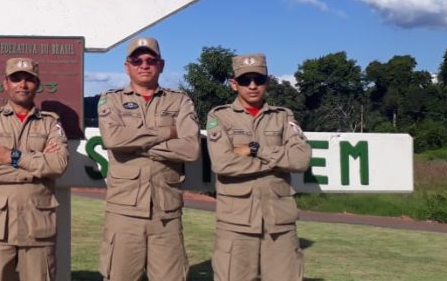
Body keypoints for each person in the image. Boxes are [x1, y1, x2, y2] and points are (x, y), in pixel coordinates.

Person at [96, 37, 201, 281]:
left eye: (150, 60)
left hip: (166, 212)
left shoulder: (180, 101)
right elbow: (113, 140)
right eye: (137, 60)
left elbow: (190, 148)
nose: (144, 65)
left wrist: (137, 145)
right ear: (127, 66)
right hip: (124, 212)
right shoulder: (111, 99)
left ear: (161, 65)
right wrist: (166, 133)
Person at [206, 53, 312, 281]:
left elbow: (301, 160)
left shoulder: (283, 116)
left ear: (267, 82)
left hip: (279, 222)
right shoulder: (220, 116)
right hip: (236, 223)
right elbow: (223, 163)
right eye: (245, 80)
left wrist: (255, 149)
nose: (252, 86)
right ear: (234, 84)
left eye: (258, 79)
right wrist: (278, 162)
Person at [0, 57, 69, 281]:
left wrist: (13, 157)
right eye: (16, 79)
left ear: (37, 84)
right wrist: (37, 168)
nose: (22, 85)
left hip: (38, 225)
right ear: (6, 83)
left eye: (29, 80)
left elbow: (59, 165)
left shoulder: (50, 122)